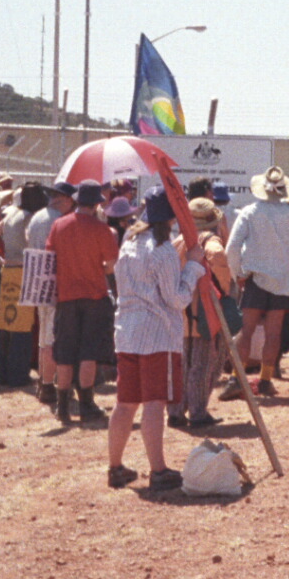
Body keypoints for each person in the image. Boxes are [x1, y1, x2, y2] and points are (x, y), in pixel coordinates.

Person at [107, 190, 205, 490]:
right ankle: (158, 470)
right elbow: (176, 299)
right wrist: (193, 267)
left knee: (125, 403)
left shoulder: (129, 242)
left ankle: (115, 466)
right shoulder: (162, 250)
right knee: (154, 402)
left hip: (127, 331)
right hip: (157, 334)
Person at [224, 166, 289, 395]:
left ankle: (236, 379)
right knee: (274, 333)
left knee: (246, 330)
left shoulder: (250, 212)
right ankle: (265, 379)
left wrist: (237, 274)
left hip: (255, 279)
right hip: (284, 281)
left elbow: (232, 247)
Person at [47, 181, 119, 424]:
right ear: (97, 204)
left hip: (65, 297)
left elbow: (49, 258)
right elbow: (111, 265)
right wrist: (97, 267)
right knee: (89, 353)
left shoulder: (59, 225)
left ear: (76, 200)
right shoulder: (102, 230)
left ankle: (63, 407)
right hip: (94, 296)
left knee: (65, 354)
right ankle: (87, 405)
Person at [173, 197, 233, 429]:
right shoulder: (211, 242)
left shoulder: (178, 242)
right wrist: (225, 288)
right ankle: (197, 412)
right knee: (204, 364)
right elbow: (218, 258)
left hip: (181, 311)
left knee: (182, 364)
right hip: (205, 311)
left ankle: (176, 410)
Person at [0, 183, 49, 388]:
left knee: (5, 322)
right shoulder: (30, 218)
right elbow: (30, 240)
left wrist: (1, 261)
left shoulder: (9, 216)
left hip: (8, 271)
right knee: (22, 324)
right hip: (25, 271)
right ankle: (18, 374)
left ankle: (1, 372)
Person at [24, 183, 74, 403]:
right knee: (54, 339)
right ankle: (50, 385)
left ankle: (44, 383)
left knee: (44, 338)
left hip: (37, 281)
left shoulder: (37, 217)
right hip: (54, 283)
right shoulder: (58, 220)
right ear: (65, 199)